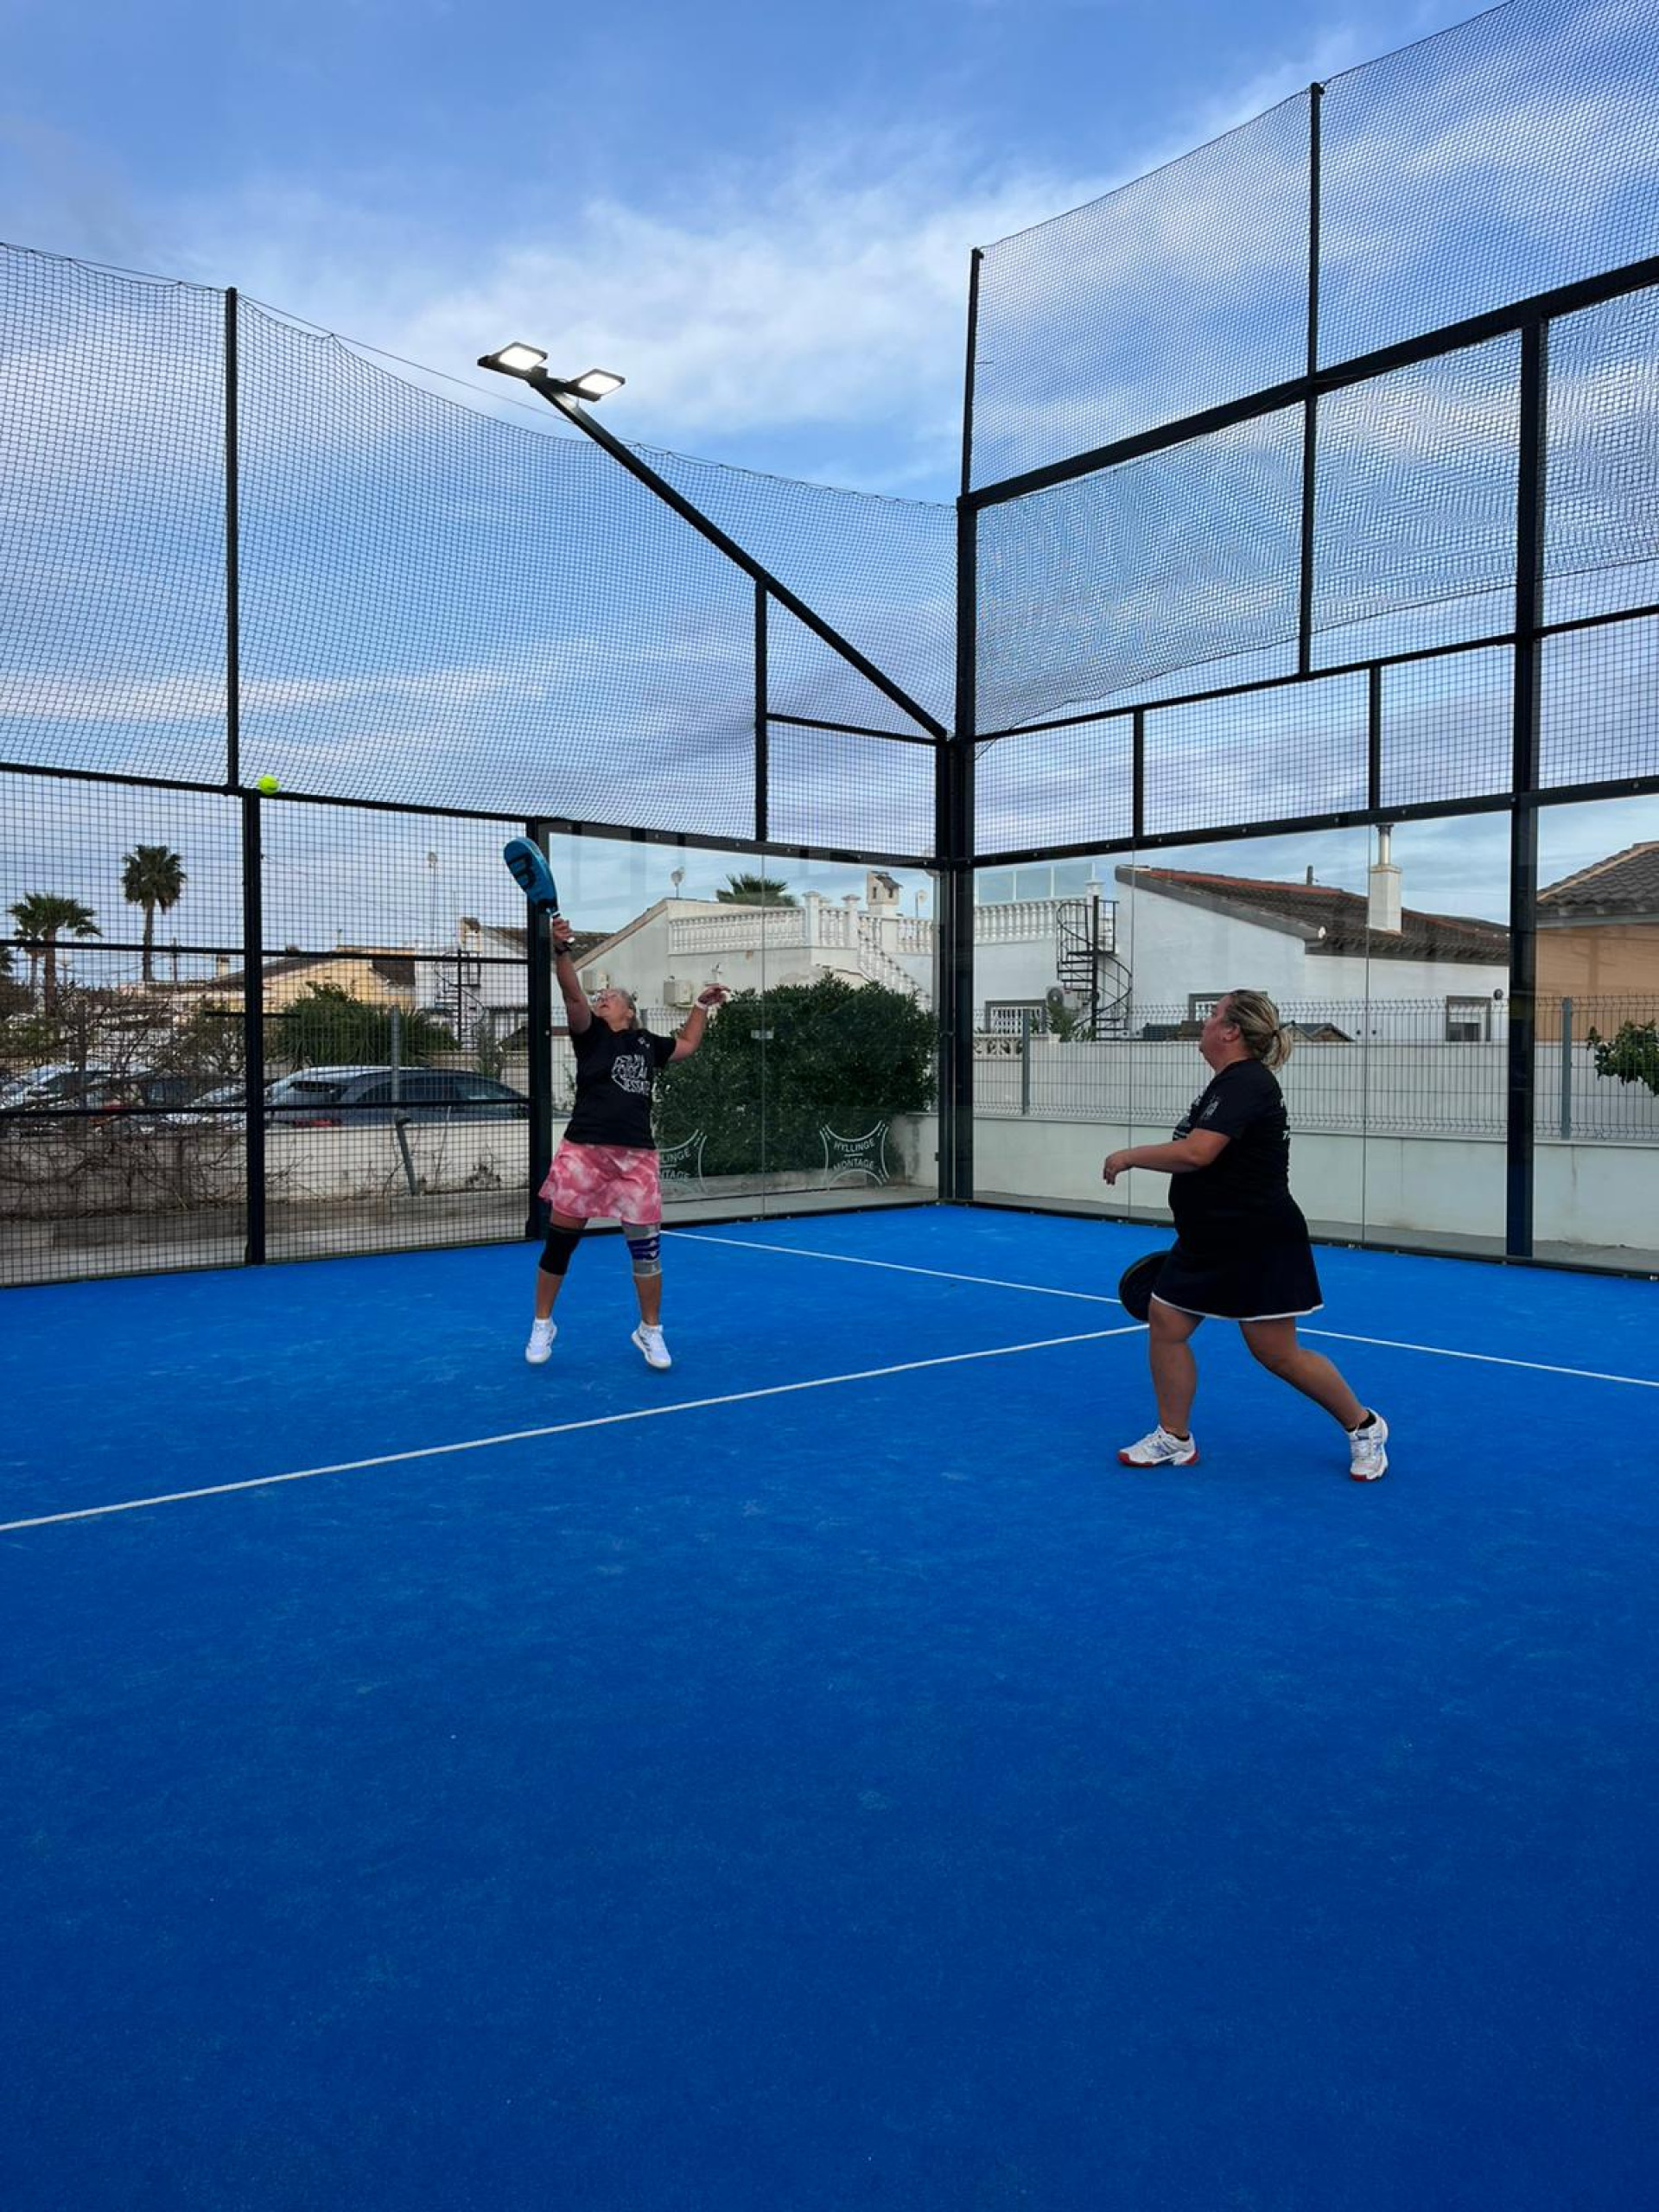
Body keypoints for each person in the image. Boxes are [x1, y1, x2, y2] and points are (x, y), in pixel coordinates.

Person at [1101, 988, 1388, 1481]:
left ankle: (1364, 1426)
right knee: (1166, 1323)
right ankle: (1174, 1437)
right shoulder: (1225, 1084)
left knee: (1276, 1353)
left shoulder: (1248, 1082)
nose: (1206, 1022)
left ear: (1231, 1031)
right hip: (1207, 1239)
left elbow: (1197, 1153)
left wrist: (1128, 1156)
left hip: (1258, 1240)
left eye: (1213, 1014)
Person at [526, 915, 727, 1371]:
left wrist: (700, 1004)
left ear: (629, 1010)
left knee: (646, 1252)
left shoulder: (647, 1043)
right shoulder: (590, 1035)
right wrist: (562, 950)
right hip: (584, 1153)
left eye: (610, 996)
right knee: (560, 1245)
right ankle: (542, 1323)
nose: (601, 998)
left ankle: (650, 1331)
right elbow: (571, 993)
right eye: (600, 996)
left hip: (636, 1158)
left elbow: (687, 1044)